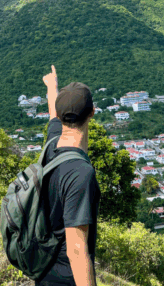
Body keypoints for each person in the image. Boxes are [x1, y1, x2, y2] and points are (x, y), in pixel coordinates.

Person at [37, 65, 100, 286]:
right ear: (92, 112)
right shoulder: (81, 173)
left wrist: (52, 86)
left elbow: (53, 114)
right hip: (67, 280)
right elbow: (77, 249)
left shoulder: (52, 144)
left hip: (44, 273)